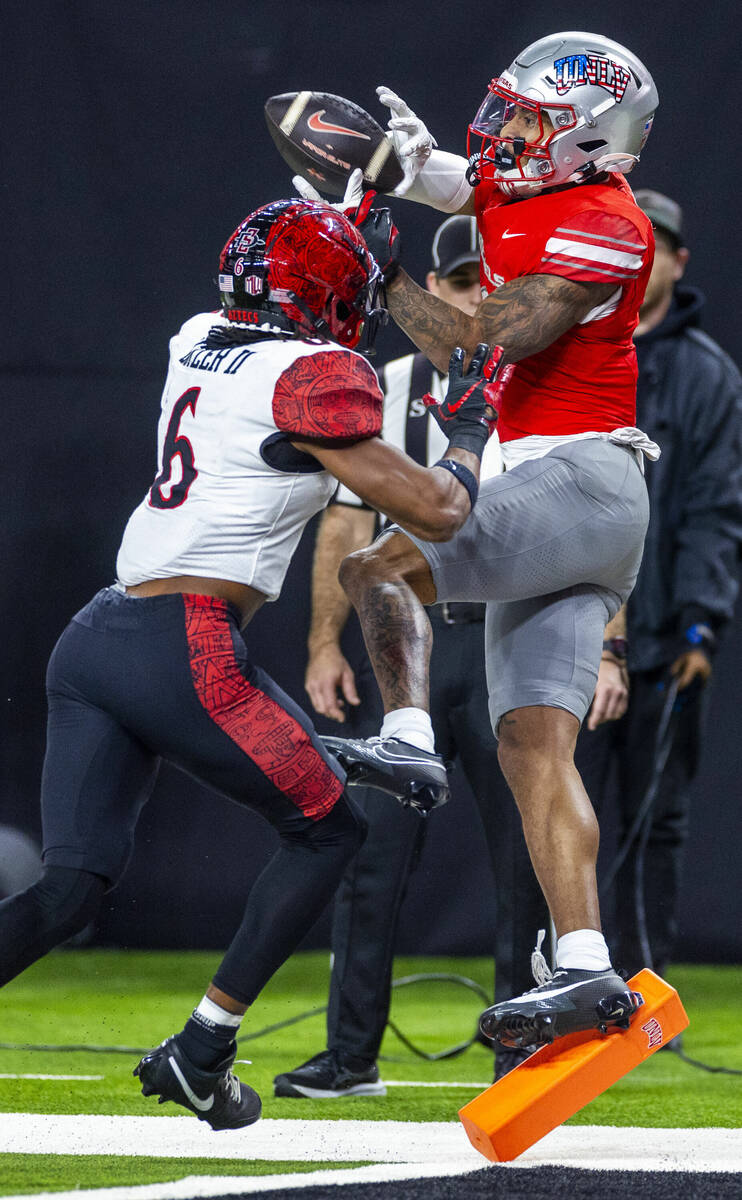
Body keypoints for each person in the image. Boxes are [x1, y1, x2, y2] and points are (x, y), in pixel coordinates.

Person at [0, 197, 499, 1128]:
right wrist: (467, 429)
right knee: (328, 830)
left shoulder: (198, 336)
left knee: (68, 891)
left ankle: (346, 755)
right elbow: (434, 510)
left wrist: (339, 223)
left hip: (97, 638)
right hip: (185, 645)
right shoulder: (312, 374)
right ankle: (202, 1047)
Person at [295, 31, 663, 1049]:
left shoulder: (604, 222)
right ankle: (587, 965)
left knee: (378, 565)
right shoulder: (544, 189)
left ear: (589, 140)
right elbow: (475, 188)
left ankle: (407, 743)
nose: (508, 130)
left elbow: (477, 337)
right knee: (532, 745)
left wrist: (379, 267)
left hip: (581, 482)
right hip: (575, 511)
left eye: (532, 118)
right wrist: (400, 173)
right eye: (508, 109)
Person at [273, 216, 549, 1099]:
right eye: (462, 284)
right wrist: (324, 641)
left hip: (511, 636)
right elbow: (346, 523)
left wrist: (607, 647)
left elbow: (588, 528)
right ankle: (351, 1055)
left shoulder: (542, 386)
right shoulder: (380, 385)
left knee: (527, 864)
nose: (475, 299)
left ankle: (522, 1055)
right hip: (409, 651)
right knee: (369, 857)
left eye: (488, 285)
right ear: (433, 292)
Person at [575, 190, 742, 977]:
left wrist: (705, 623)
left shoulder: (709, 377)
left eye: (660, 247)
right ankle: (549, 989)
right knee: (555, 811)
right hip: (573, 630)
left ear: (676, 262)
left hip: (668, 640)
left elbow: (718, 506)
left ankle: (643, 991)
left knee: (657, 821)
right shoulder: (568, 351)